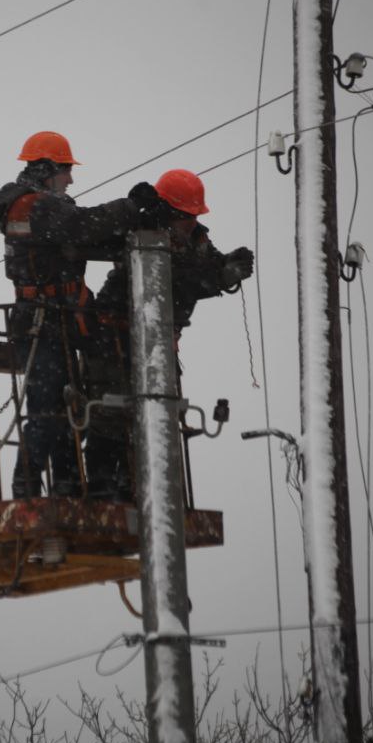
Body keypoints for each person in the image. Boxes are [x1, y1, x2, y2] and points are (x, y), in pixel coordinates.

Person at [0, 131, 156, 498]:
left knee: (68, 403)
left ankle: (67, 484)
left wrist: (135, 225)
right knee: (47, 408)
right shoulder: (35, 207)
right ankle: (26, 488)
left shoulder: (39, 208)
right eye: (66, 171)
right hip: (43, 322)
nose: (71, 179)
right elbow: (83, 225)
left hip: (54, 321)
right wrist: (130, 206)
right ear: (47, 170)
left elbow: (81, 237)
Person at [84, 168, 253, 501]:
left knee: (155, 419)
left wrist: (230, 265)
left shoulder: (197, 240)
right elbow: (173, 280)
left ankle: (141, 489)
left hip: (158, 344)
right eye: (183, 215)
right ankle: (104, 489)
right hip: (114, 338)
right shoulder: (144, 235)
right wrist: (219, 276)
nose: (190, 222)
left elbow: (206, 267)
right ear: (168, 210)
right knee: (109, 415)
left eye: (193, 215)